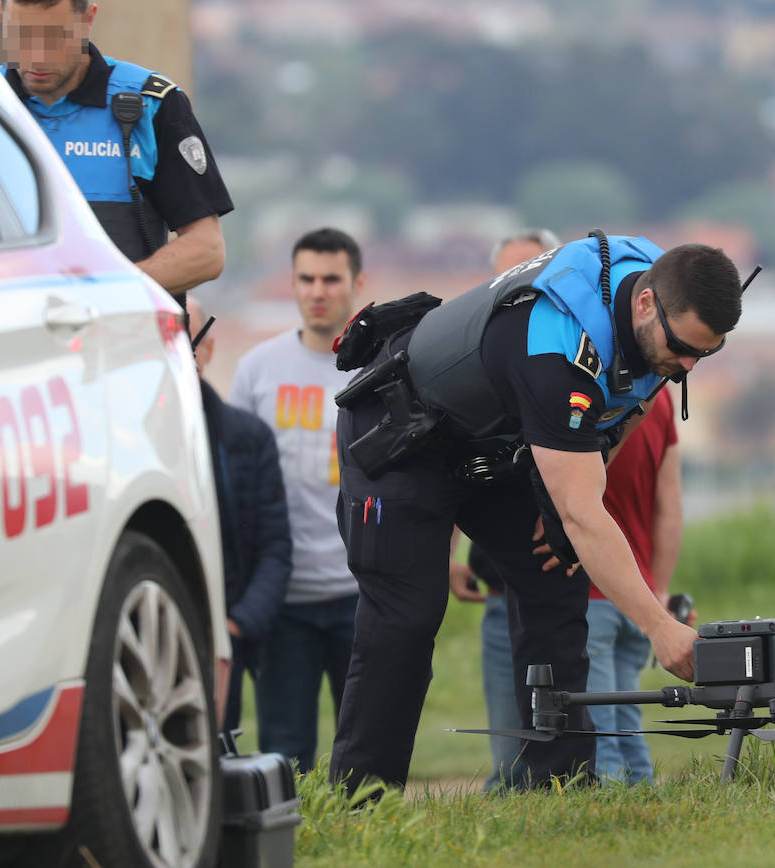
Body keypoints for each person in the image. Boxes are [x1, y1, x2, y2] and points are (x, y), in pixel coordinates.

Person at [329, 232, 744, 792]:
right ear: (645, 303)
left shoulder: (658, 285)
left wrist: (564, 508)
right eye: (683, 347)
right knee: (407, 617)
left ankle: (561, 787)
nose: (689, 366)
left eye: (706, 352)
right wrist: (659, 628)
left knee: (556, 574)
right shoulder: (559, 349)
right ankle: (361, 801)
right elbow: (585, 514)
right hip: (403, 439)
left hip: (492, 441)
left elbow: (628, 406)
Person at [0, 0, 231, 301]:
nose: (36, 56)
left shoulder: (151, 105)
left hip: (123, 344)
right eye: (22, 35)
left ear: (88, 20)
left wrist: (104, 295)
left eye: (54, 37)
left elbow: (206, 251)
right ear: (1, 15)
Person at [230, 227, 366, 773]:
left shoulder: (378, 370)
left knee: (367, 752)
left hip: (363, 592)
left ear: (357, 283)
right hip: (283, 598)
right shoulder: (257, 370)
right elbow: (235, 482)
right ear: (291, 283)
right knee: (284, 757)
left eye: (331, 279)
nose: (318, 291)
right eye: (306, 278)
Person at [446, 228, 562, 790]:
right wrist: (452, 552)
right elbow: (449, 462)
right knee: (507, 750)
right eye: (505, 280)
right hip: (497, 584)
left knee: (562, 724)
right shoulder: (479, 364)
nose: (517, 292)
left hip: (560, 578)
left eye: (530, 276)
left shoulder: (569, 368)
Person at [189, 297, 293, 737]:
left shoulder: (245, 438)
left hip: (223, 637)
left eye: (185, 339)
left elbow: (274, 544)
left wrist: (237, 626)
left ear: (208, 348)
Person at [586, 385, 687, 785]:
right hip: (642, 594)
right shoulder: (659, 397)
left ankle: (609, 821)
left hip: (594, 589)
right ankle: (644, 802)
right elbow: (670, 505)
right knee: (627, 726)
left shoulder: (585, 390)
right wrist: (658, 591)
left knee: (600, 737)